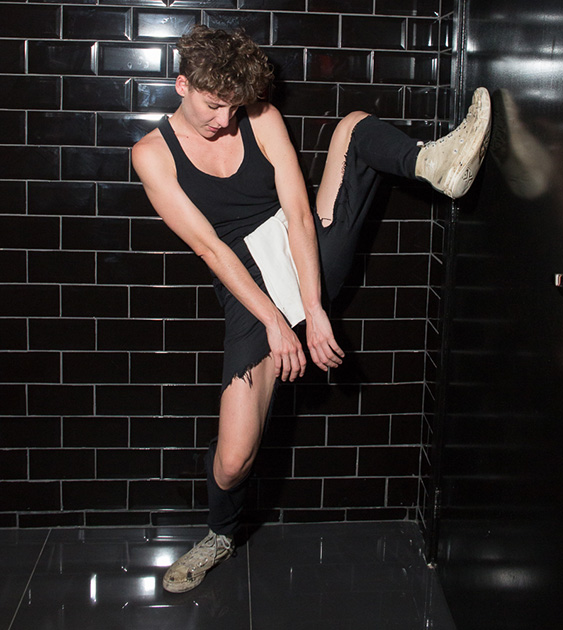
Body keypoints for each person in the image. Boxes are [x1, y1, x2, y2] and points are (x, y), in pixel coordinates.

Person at [132, 24, 491, 594]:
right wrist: (277, 323)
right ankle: (220, 534)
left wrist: (315, 308)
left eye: (234, 106)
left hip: (306, 257)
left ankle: (434, 164)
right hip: (250, 289)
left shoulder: (260, 117)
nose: (225, 119)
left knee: (353, 127)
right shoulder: (152, 155)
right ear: (183, 85)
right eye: (214, 105)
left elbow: (300, 214)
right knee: (233, 460)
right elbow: (212, 251)